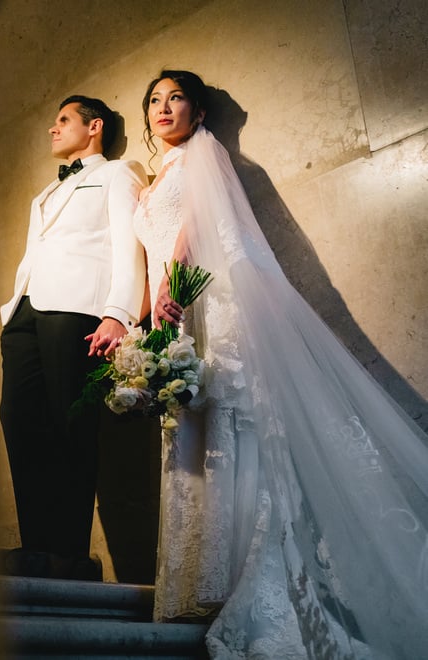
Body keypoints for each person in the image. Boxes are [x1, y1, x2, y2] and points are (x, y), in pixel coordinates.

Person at [136, 69, 428, 657]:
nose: (163, 107)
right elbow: (149, 254)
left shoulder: (203, 153)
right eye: (155, 100)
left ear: (199, 112)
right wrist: (139, 328)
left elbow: (196, 225)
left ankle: (247, 580)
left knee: (232, 429)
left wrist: (173, 282)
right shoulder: (148, 184)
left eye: (176, 98)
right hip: (173, 315)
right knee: (190, 437)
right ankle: (197, 584)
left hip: (203, 299)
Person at [0, 95, 154, 581]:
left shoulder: (118, 173)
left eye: (63, 120)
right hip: (25, 311)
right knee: (18, 418)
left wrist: (118, 314)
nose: (53, 128)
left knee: (71, 423)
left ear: (94, 126)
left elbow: (129, 246)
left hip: (79, 309)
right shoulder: (44, 193)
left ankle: (68, 552)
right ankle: (38, 547)